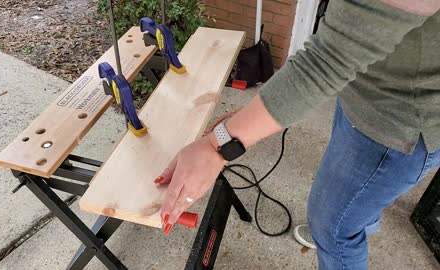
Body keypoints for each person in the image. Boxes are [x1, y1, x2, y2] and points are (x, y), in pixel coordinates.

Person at [153, 0, 440, 269]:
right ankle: (350, 220)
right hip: (369, 93)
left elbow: (323, 65)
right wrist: (247, 122)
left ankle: (338, 231)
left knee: (335, 232)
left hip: (396, 124)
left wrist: (218, 145)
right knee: (353, 206)